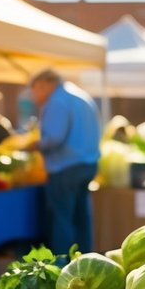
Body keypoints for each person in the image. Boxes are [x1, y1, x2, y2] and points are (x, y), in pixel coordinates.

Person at [26, 69, 101, 255]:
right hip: (88, 165)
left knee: (62, 220)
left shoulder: (57, 101)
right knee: (82, 217)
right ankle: (85, 259)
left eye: (34, 90)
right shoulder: (81, 96)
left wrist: (34, 145)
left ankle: (62, 264)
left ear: (43, 85)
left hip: (66, 168)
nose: (33, 96)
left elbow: (54, 138)